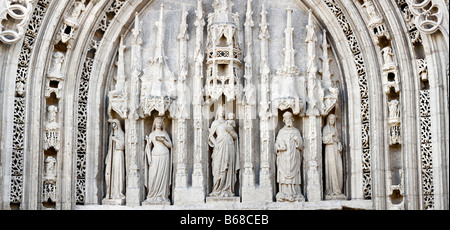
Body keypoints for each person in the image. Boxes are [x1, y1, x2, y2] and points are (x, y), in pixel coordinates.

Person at [208, 105, 239, 197]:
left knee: (228, 167)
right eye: (220, 110)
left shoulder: (228, 123)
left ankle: (227, 189)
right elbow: (210, 136)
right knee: (218, 167)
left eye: (223, 110)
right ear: (217, 112)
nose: (222, 112)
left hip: (229, 146)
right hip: (219, 146)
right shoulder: (215, 123)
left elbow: (235, 137)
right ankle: (217, 189)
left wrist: (230, 131)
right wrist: (216, 145)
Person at [275, 111, 304, 202]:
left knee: (294, 173)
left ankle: (295, 192)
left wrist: (297, 141)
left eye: (289, 118)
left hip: (294, 157)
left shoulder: (296, 131)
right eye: (286, 119)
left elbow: (301, 145)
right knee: (284, 174)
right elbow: (276, 144)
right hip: (284, 157)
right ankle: (284, 192)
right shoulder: (281, 132)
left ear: (292, 119)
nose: (288, 120)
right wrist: (279, 148)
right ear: (283, 120)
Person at [144, 116, 172, 204]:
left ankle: (162, 195)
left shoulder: (164, 133)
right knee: (153, 175)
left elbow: (170, 145)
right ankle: (152, 195)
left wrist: (163, 140)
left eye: (160, 123)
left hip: (164, 155)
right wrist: (149, 158)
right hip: (155, 156)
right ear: (154, 124)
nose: (159, 124)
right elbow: (148, 147)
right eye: (157, 123)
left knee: (163, 176)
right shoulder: (152, 134)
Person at [323, 114, 345, 199]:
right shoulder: (326, 128)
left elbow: (338, 139)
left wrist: (339, 144)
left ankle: (338, 189)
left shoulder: (335, 129)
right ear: (328, 120)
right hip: (329, 149)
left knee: (338, 168)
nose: (332, 120)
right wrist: (330, 136)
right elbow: (324, 140)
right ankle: (331, 190)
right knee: (332, 168)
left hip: (335, 149)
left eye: (333, 119)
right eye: (331, 119)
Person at [105, 119, 126, 201]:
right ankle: (110, 192)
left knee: (118, 173)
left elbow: (122, 145)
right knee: (109, 173)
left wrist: (116, 140)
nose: (114, 125)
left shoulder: (121, 133)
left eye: (115, 124)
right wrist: (108, 156)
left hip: (118, 154)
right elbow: (110, 147)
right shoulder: (111, 135)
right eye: (112, 124)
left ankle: (118, 193)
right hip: (112, 154)